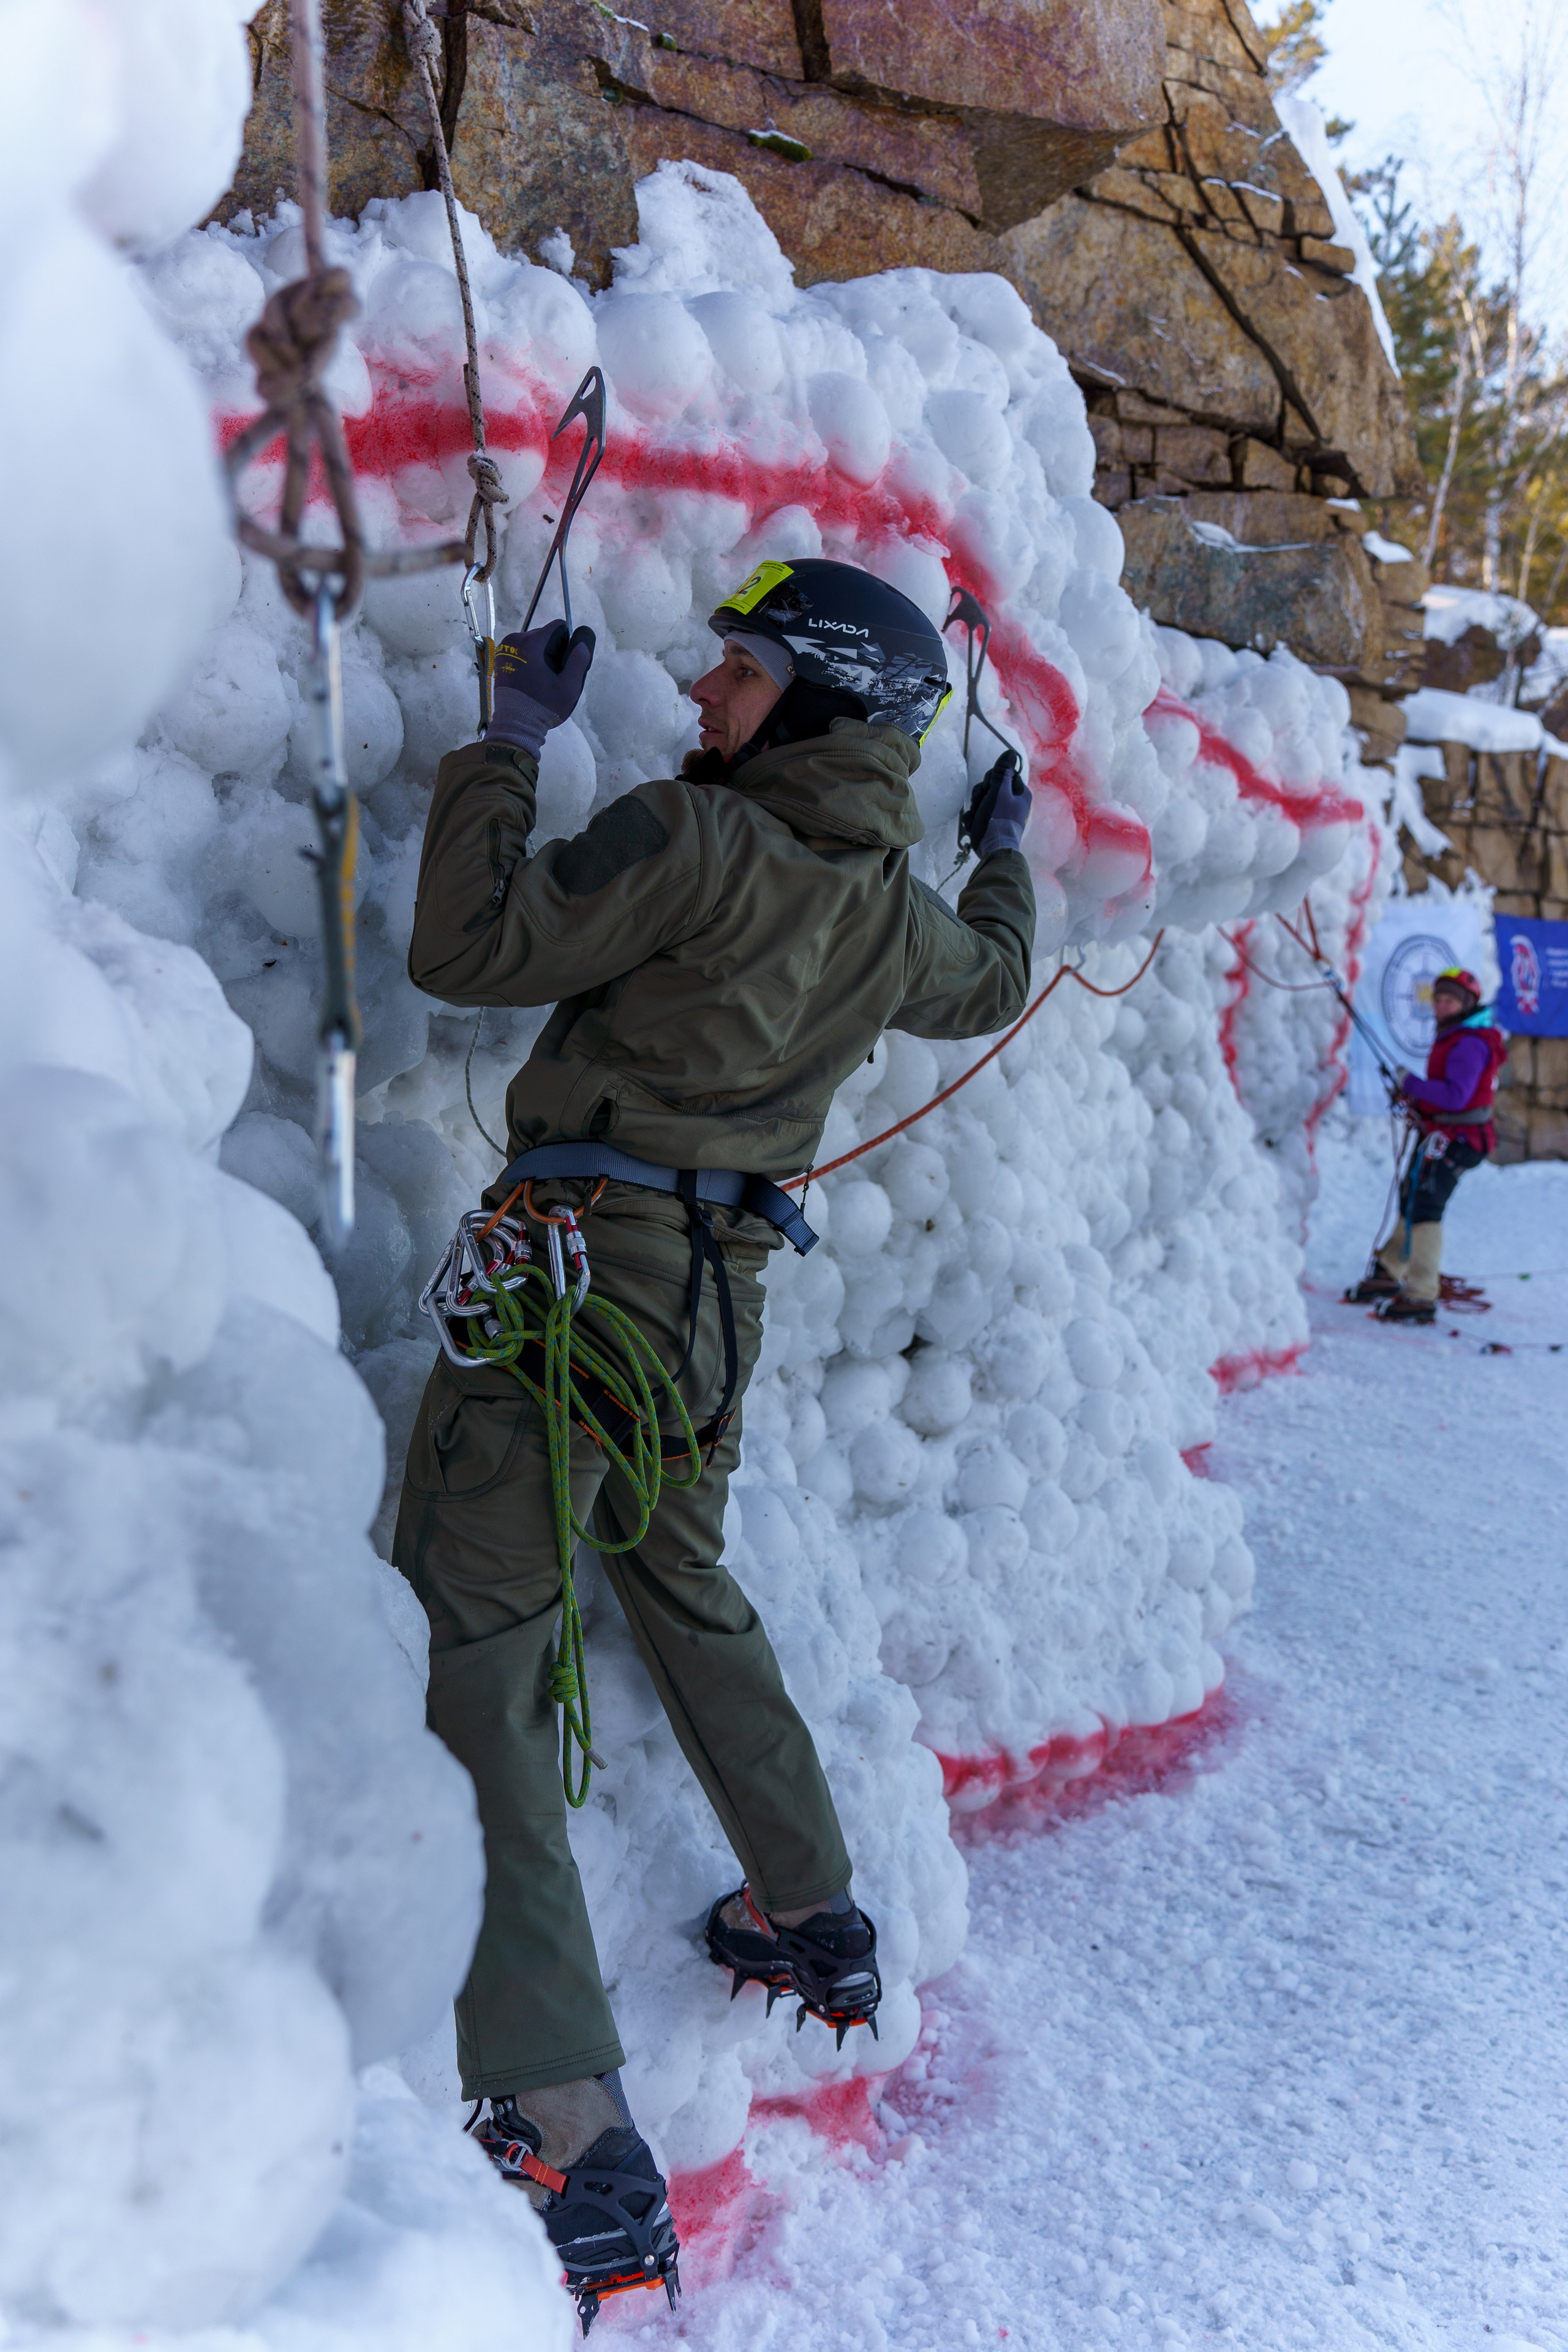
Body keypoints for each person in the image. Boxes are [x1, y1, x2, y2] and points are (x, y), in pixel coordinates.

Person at [392, 558, 1036, 2325]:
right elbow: (989, 980)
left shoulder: (694, 844)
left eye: (740, 676)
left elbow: (469, 948)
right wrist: (1008, 845)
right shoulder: (893, 910)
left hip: (573, 1282)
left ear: (817, 701)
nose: (703, 698)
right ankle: (812, 1908)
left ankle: (557, 2101)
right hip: (711, 1309)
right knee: (677, 1570)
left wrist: (507, 741)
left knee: (483, 1639)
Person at [1346, 965, 1507, 1325]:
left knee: (1426, 1206)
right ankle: (1390, 1268)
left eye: (1451, 1000)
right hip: (1443, 1133)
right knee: (1412, 1195)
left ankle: (1420, 1294)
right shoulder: (1456, 1035)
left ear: (1466, 1004)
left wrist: (1411, 1083)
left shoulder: (1469, 1043)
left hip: (1460, 1138)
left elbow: (1455, 1096)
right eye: (1439, 998)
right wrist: (1415, 1100)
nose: (1442, 1005)